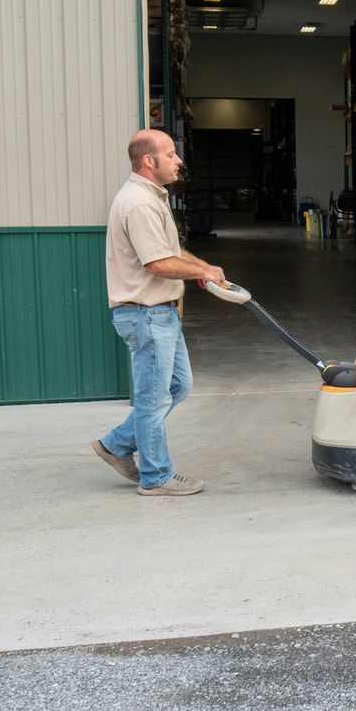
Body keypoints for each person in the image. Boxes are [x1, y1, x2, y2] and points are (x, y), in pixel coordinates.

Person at [93, 129, 225, 495]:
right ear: (149, 161)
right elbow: (157, 263)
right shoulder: (138, 202)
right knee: (154, 400)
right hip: (146, 314)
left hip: (161, 313)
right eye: (170, 154)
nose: (178, 160)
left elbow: (171, 249)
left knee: (178, 385)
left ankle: (116, 444)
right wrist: (200, 272)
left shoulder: (154, 197)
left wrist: (204, 268)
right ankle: (155, 477)